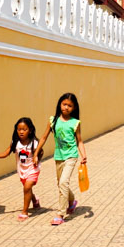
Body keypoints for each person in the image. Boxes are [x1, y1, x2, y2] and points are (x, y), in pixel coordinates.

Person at [37, 92, 88, 226]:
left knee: (63, 182)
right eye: (64, 104)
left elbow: (80, 141)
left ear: (74, 108)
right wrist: (36, 152)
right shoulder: (53, 120)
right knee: (61, 183)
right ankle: (72, 201)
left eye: (69, 106)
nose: (66, 107)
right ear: (60, 104)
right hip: (58, 157)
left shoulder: (75, 123)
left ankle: (60, 213)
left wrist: (83, 155)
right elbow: (43, 137)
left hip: (71, 156)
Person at [0, 117, 41, 219]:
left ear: (30, 130)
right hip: (22, 170)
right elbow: (6, 153)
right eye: (19, 129)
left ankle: (25, 212)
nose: (21, 132)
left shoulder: (34, 142)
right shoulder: (15, 142)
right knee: (28, 189)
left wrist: (37, 158)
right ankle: (35, 200)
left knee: (27, 187)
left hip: (33, 169)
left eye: (24, 129)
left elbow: (41, 152)